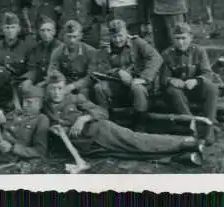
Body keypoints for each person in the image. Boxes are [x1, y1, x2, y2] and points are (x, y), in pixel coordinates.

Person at [41, 70, 206, 165]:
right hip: (89, 146)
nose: (57, 93)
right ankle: (186, 153)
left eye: (60, 88)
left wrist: (83, 118)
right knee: (131, 154)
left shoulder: (75, 98)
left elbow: (102, 112)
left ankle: (185, 142)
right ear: (47, 89)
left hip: (101, 131)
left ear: (65, 88)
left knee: (137, 141)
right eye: (53, 89)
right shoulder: (45, 106)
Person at [92, 19, 163, 131]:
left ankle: (140, 124)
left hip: (139, 82)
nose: (117, 40)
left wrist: (144, 78)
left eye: (120, 35)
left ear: (126, 33)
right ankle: (108, 121)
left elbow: (156, 58)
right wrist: (117, 72)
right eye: (114, 36)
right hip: (118, 83)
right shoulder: (105, 49)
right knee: (99, 88)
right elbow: (99, 69)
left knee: (137, 88)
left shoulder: (137, 43)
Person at [160, 22, 219, 143]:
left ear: (190, 37)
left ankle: (208, 130)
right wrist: (171, 80)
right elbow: (162, 78)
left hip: (194, 89)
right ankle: (191, 127)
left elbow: (207, 73)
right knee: (173, 91)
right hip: (177, 93)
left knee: (212, 88)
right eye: (177, 38)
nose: (180, 42)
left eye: (183, 38)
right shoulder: (167, 54)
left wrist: (196, 81)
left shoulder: (199, 51)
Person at [0, 12, 37, 119]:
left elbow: (33, 69)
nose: (10, 31)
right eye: (7, 27)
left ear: (18, 29)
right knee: (0, 73)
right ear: (2, 29)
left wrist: (27, 80)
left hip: (17, 83)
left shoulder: (27, 47)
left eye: (13, 27)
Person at [47, 20, 97, 98]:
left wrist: (72, 86)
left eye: (75, 36)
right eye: (69, 36)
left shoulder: (91, 52)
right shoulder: (57, 52)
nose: (72, 40)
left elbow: (91, 77)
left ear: (80, 36)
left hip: (83, 86)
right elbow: (52, 71)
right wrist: (60, 84)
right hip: (63, 83)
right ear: (64, 36)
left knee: (84, 93)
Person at [20, 18, 63, 99]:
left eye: (48, 30)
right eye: (42, 30)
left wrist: (46, 82)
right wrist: (28, 80)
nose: (45, 33)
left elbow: (60, 71)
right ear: (39, 32)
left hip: (55, 81)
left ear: (54, 32)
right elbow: (32, 68)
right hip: (39, 79)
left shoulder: (61, 48)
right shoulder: (36, 48)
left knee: (41, 90)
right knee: (23, 86)